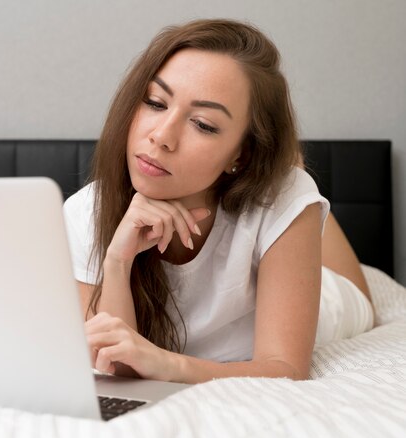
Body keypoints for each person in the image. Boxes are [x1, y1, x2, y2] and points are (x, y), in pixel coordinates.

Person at [63, 18, 374, 383]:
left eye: (203, 124)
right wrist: (117, 261)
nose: (161, 136)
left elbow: (286, 368)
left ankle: (290, 172)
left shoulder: (279, 199)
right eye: (155, 102)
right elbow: (116, 363)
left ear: (240, 154)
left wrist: (169, 364)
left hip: (328, 298)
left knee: (305, 210)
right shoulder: (86, 209)